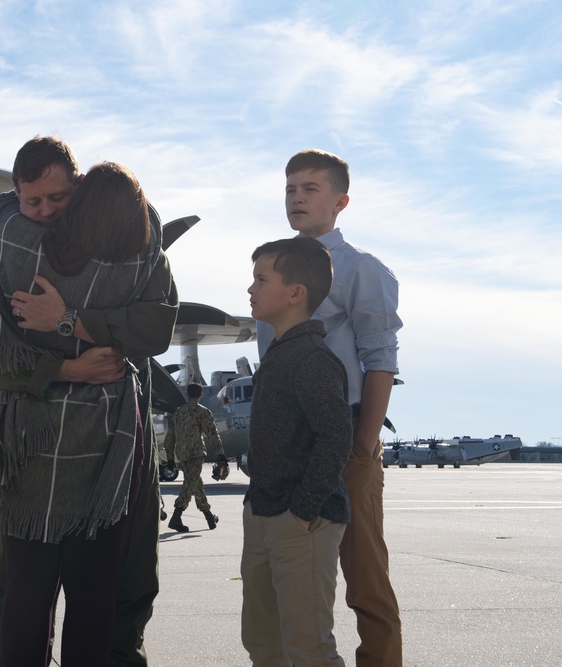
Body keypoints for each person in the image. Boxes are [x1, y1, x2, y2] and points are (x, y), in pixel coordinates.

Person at [0, 136, 177, 667]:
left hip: (30, 445)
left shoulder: (6, 238)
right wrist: (72, 363)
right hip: (107, 447)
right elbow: (155, 325)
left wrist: (65, 321)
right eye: (31, 201)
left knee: (27, 594)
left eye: (56, 199)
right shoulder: (137, 247)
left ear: (80, 189)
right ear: (17, 194)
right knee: (94, 594)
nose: (42, 212)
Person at [256, 149, 404, 667]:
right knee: (286, 586)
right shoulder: (273, 268)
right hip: (286, 448)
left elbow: (380, 359)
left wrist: (361, 448)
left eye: (310, 189)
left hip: (343, 435)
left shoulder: (362, 269)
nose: (297, 197)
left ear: (340, 201)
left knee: (365, 581)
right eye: (290, 188)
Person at [242, 236, 353, 666]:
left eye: (260, 279)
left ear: (295, 293)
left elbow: (336, 438)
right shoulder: (280, 352)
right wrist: (256, 509)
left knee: (309, 650)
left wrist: (302, 511)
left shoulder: (312, 358)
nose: (250, 289)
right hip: (264, 516)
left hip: (302, 524)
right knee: (263, 643)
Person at [164, 382, 228, 532]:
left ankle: (209, 517)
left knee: (195, 483)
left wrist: (170, 459)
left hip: (182, 454)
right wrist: (220, 454)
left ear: (187, 394)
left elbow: (170, 438)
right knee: (189, 484)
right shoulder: (203, 412)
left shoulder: (178, 413)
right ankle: (176, 517)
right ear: (201, 395)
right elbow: (212, 433)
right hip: (196, 454)